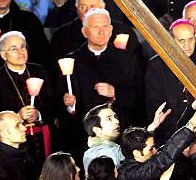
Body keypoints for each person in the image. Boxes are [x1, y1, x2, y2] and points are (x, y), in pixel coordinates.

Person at [60, 8, 142, 143]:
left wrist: (115, 93)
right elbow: (61, 102)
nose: (101, 32)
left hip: (121, 134)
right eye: (95, 27)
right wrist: (69, 105)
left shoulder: (128, 60)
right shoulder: (71, 61)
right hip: (84, 136)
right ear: (84, 32)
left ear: (111, 30)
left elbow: (138, 98)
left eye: (105, 27)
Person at [144, 19, 196, 144]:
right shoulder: (156, 65)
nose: (187, 45)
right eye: (182, 41)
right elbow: (154, 104)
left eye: (190, 39)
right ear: (171, 40)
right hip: (169, 134)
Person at [0, 31, 54, 165]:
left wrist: (38, 114)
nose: (21, 52)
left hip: (43, 138)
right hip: (14, 144)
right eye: (14, 49)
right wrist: (17, 116)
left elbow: (53, 104)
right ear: (3, 55)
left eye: (23, 47)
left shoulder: (40, 71)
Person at [118, 98, 196, 180]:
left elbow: (172, 147)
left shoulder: (140, 159)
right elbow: (166, 156)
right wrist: (192, 124)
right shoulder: (130, 174)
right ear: (136, 153)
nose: (156, 151)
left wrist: (193, 108)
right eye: (151, 149)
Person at [50, 0, 142, 62]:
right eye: (83, 7)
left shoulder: (123, 31)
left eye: (92, 6)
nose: (87, 11)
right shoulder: (62, 35)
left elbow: (137, 63)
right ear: (77, 9)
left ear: (103, 7)